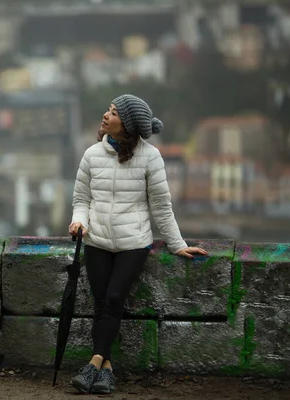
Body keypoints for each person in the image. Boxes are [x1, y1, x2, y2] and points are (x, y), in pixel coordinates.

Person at [67, 94, 208, 394]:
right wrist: (79, 220)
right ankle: (106, 372)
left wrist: (177, 243)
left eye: (114, 112)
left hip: (134, 241)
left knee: (115, 298)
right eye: (108, 109)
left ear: (127, 125)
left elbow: (161, 205)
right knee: (101, 303)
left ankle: (93, 363)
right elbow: (82, 199)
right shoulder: (92, 155)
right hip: (97, 240)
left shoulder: (150, 157)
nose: (106, 115)